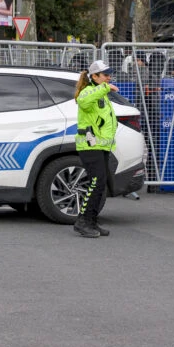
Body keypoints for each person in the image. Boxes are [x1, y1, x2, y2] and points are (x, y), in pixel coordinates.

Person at [72, 59, 119, 238]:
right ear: (94, 76)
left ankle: (91, 220)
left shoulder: (100, 93)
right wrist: (106, 88)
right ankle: (82, 221)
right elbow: (82, 101)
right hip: (89, 146)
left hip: (101, 146)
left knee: (101, 184)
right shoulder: (89, 91)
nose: (108, 78)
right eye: (105, 75)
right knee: (95, 182)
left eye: (109, 74)